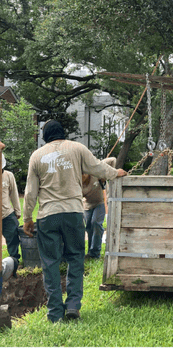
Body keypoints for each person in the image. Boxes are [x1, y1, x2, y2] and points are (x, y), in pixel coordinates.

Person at [23, 120, 126, 323]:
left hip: (47, 216)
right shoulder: (77, 148)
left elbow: (30, 192)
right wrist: (116, 173)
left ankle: (54, 313)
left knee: (50, 263)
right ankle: (72, 306)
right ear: (63, 133)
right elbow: (98, 167)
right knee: (76, 258)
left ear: (45, 137)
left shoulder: (37, 156)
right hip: (72, 213)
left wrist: (27, 218)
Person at [82, 156, 116, 260]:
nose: (83, 175)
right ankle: (90, 253)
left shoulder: (95, 171)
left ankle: (95, 253)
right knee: (89, 227)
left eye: (84, 173)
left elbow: (113, 160)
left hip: (100, 202)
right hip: (86, 205)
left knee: (96, 223)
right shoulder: (76, 182)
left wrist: (106, 176)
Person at [1, 141, 20, 275]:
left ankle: (14, 266)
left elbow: (14, 194)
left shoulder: (8, 176)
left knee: (13, 239)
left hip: (7, 214)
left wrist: (17, 211)